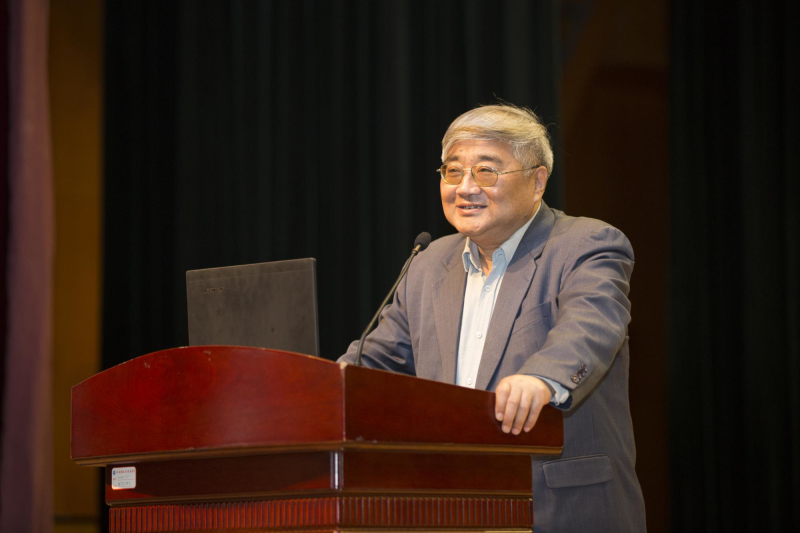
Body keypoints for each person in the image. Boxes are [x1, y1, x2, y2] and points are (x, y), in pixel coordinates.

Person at [339, 103, 646, 532]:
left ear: (537, 181)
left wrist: (541, 378)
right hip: (451, 511)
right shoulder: (428, 264)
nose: (465, 187)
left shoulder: (586, 244)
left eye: (486, 171)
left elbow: (591, 325)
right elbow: (372, 363)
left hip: (559, 511)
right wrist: (320, 389)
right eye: (452, 171)